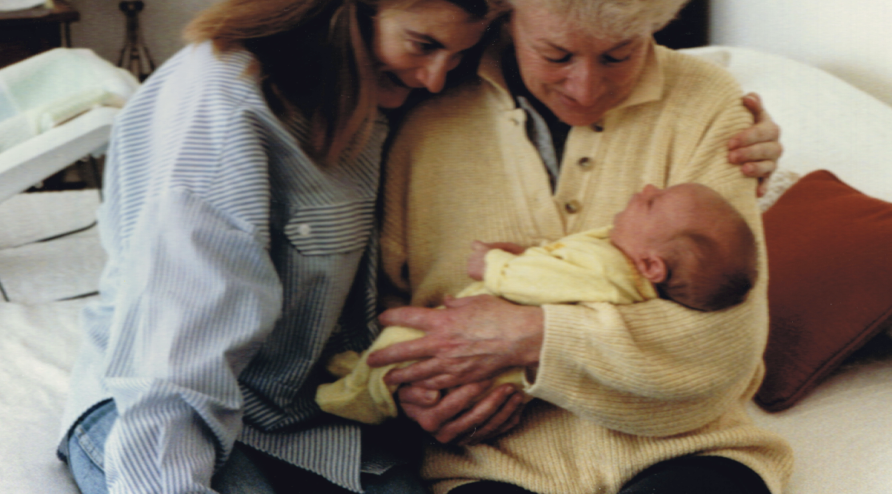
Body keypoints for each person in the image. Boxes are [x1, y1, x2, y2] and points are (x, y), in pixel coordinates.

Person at [368, 0, 794, 494]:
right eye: (556, 53)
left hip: (691, 459)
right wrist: (415, 392)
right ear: (504, 7)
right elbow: (373, 308)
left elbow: (726, 346)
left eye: (620, 52)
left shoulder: (710, 108)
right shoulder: (422, 112)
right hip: (491, 468)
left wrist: (531, 335)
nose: (586, 86)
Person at [57, 0, 495, 494]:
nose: (436, 78)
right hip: (163, 408)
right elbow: (175, 344)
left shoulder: (393, 100)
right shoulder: (222, 102)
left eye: (459, 54)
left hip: (305, 422)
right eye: (422, 45)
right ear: (346, 3)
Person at [315, 182, 756, 425]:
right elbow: (561, 266)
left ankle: (350, 397)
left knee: (405, 346)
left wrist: (496, 266)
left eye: (653, 202)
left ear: (652, 266)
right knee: (407, 355)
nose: (644, 188)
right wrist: (531, 250)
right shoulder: (621, 264)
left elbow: (541, 282)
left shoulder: (610, 268)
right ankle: (362, 371)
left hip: (484, 359)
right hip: (487, 372)